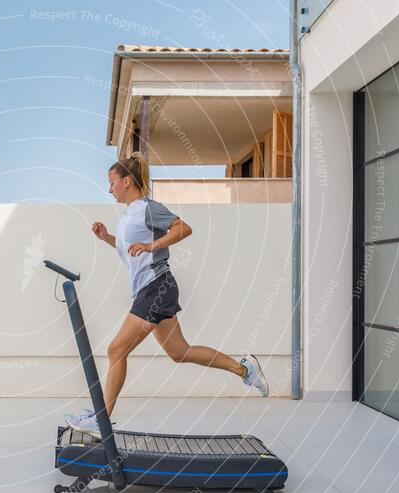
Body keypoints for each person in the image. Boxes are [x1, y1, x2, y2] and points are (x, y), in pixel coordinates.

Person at [65, 152, 269, 437]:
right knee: (179, 352)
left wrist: (152, 247)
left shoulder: (147, 208)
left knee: (116, 349)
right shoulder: (129, 215)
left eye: (111, 182)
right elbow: (131, 253)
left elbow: (183, 227)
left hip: (156, 288)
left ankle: (101, 420)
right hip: (152, 290)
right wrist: (107, 238)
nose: (109, 189)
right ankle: (244, 369)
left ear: (126, 181)